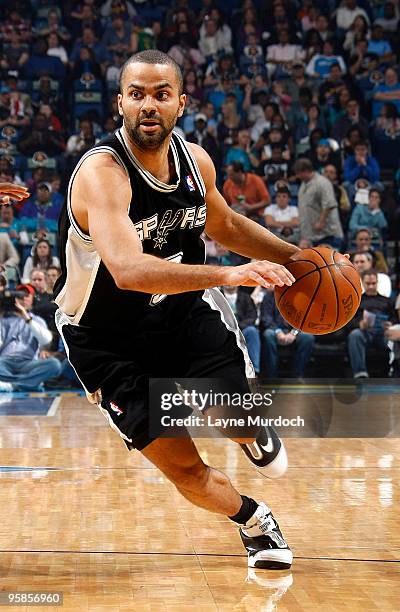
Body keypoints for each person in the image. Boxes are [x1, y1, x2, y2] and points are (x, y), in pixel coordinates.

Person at [53, 50, 303, 570]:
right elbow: (129, 270)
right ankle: (255, 519)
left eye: (161, 94)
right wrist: (230, 274)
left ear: (181, 103)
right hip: (106, 339)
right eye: (138, 94)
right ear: (120, 101)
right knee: (186, 470)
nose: (149, 104)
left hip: (183, 316)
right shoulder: (103, 173)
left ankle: (251, 429)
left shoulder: (197, 162)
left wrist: (299, 261)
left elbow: (227, 226)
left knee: (233, 416)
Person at [0, 283, 61, 391]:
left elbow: (47, 340)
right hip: (5, 362)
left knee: (54, 364)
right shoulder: (4, 320)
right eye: (19, 296)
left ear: (33, 299)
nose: (23, 299)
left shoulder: (37, 321)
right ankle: (30, 383)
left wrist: (27, 318)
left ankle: (11, 385)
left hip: (28, 363)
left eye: (26, 295)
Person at [347, 270, 396, 378]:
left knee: (394, 334)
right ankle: (360, 373)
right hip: (365, 332)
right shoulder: (357, 301)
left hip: (383, 333)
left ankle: (393, 370)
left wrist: (390, 323)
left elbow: (395, 317)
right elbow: (348, 320)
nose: (371, 286)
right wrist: (359, 324)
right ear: (363, 283)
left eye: (373, 283)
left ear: (377, 282)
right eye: (368, 284)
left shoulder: (387, 301)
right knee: (355, 334)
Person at [260, 288, 315, 379]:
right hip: (275, 329)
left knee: (308, 338)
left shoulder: (298, 296)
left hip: (293, 331)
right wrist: (278, 332)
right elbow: (266, 317)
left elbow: (303, 317)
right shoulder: (269, 296)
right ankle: (272, 375)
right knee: (268, 335)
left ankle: (298, 374)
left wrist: (294, 333)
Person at [294, 158, 344, 249]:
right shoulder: (303, 184)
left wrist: (321, 222)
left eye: (299, 173)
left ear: (306, 171)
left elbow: (329, 204)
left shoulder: (322, 183)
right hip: (312, 235)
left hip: (328, 234)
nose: (297, 176)